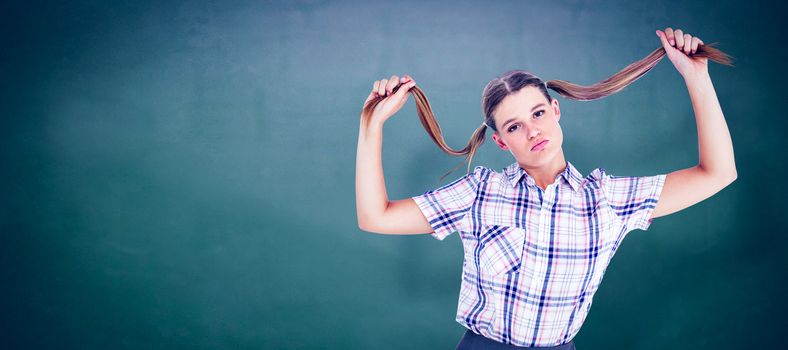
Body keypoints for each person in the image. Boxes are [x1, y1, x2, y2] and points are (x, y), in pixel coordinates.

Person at [355, 27, 737, 349]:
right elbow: (376, 216)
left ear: (555, 111)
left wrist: (696, 77)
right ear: (502, 142)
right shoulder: (479, 193)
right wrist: (370, 126)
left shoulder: (606, 199)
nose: (532, 130)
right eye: (514, 126)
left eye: (538, 113)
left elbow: (717, 173)